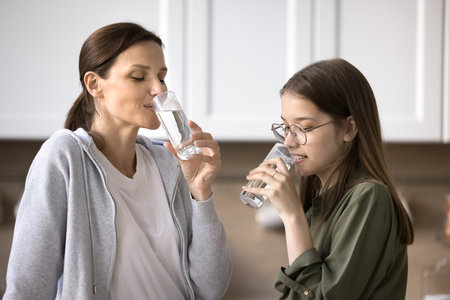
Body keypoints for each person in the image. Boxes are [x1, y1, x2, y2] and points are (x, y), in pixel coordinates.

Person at [4, 22, 232, 300]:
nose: (158, 89)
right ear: (94, 84)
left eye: (162, 77)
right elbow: (27, 289)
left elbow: (210, 289)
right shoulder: (64, 157)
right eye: (138, 77)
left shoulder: (169, 163)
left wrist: (202, 194)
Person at [242, 58, 414, 299]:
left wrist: (292, 217)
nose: (289, 142)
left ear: (348, 129)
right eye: (286, 127)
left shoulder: (369, 198)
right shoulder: (321, 204)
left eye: (304, 127)